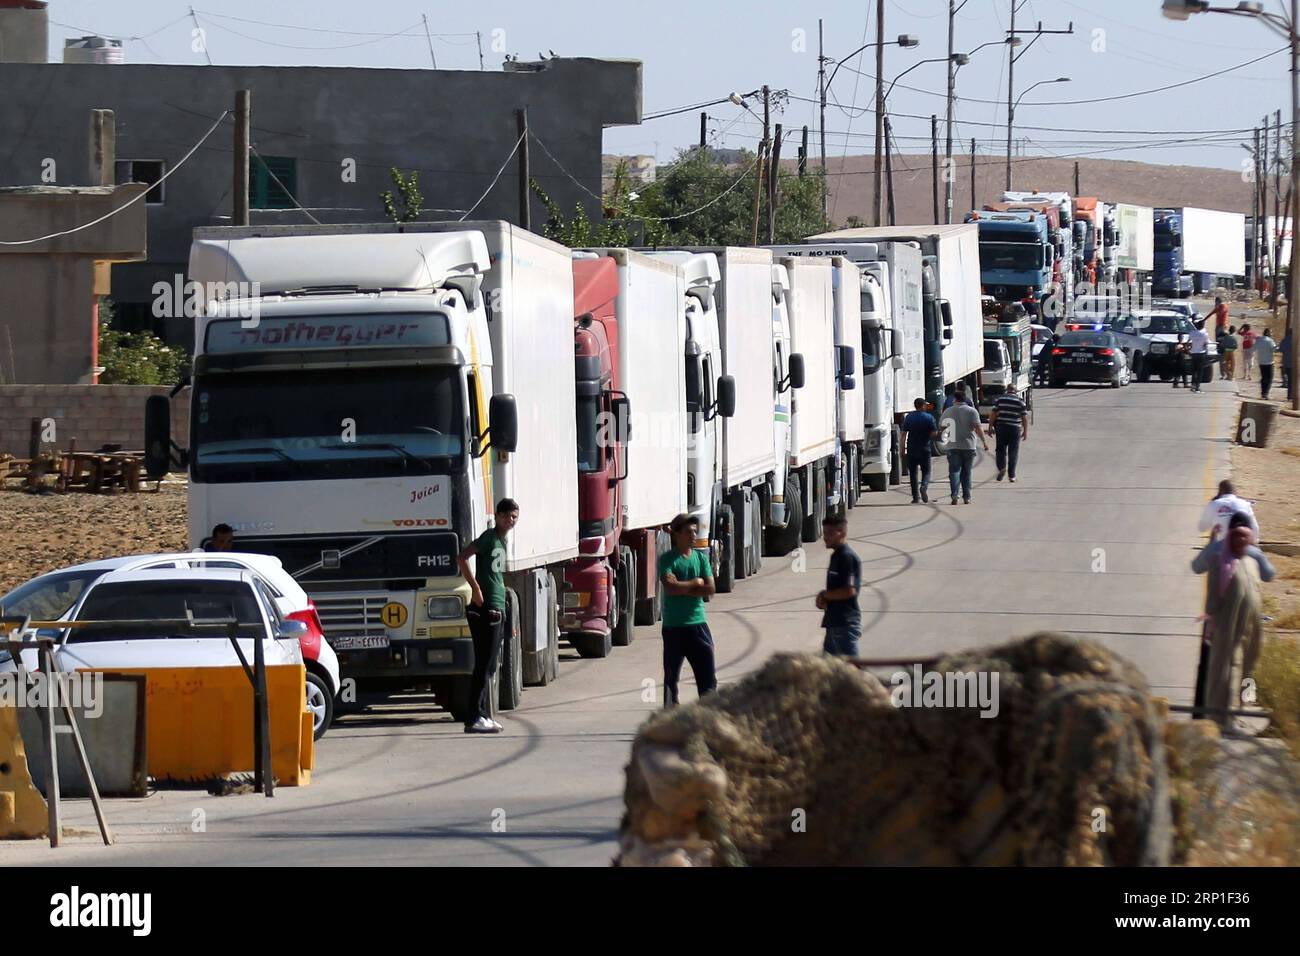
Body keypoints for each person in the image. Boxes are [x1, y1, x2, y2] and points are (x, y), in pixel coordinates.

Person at [1191, 516, 1275, 730]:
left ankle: (1234, 712)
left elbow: (1268, 576)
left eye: (1244, 538)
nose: (1240, 542)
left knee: (1245, 664)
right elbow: (1204, 580)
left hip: (1250, 624)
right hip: (1228, 624)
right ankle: (1222, 718)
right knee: (1228, 667)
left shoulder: (1247, 556)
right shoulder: (1223, 557)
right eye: (1237, 537)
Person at [456, 498, 519, 734]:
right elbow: (462, 557)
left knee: (490, 664)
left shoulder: (501, 541)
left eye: (514, 518)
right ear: (498, 515)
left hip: (497, 604)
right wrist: (475, 587)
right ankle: (474, 716)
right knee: (485, 664)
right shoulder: (489, 537)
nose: (511, 521)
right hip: (487, 607)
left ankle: (481, 713)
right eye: (508, 516)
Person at [658, 512, 717, 707]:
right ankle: (669, 718)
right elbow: (670, 589)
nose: (693, 536)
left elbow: (710, 589)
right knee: (671, 679)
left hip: (698, 625)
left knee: (707, 679)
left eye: (694, 531)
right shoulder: (667, 560)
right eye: (688, 532)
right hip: (674, 628)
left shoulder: (700, 559)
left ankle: (709, 719)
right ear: (676, 534)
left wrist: (685, 587)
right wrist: (695, 583)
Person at [816, 513, 861, 657]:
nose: (825, 537)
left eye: (829, 533)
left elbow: (850, 590)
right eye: (824, 533)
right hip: (833, 622)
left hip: (845, 624)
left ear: (841, 533)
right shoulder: (836, 556)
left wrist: (825, 595)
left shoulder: (847, 557)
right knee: (827, 672)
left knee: (852, 671)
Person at [939, 383, 988, 505]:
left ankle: (954, 496)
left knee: (954, 471)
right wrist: (984, 442)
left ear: (955, 399)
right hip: (968, 445)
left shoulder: (948, 411)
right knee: (967, 472)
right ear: (965, 399)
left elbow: (941, 427)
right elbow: (978, 428)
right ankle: (967, 497)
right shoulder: (972, 411)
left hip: (953, 445)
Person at [987, 382, 1029, 482]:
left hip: (1001, 427)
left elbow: (993, 414)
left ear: (1007, 390)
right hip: (1015, 428)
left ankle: (1001, 468)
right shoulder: (1020, 401)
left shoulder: (1000, 400)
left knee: (1000, 450)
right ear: (1015, 391)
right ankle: (1012, 476)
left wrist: (990, 427)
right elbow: (1024, 418)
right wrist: (1025, 432)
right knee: (1013, 452)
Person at [901, 396, 937, 503]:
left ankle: (915, 497)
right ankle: (924, 486)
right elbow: (934, 433)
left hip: (911, 448)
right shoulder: (929, 417)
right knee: (926, 471)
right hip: (925, 448)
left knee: (913, 473)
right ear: (922, 406)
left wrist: (902, 449)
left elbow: (903, 435)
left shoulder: (909, 417)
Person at [1188, 320, 1210, 393]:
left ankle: (1193, 385)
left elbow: (1189, 342)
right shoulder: (1205, 334)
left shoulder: (1192, 333)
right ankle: (1197, 387)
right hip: (1201, 353)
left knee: (1194, 370)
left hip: (1193, 353)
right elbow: (1206, 343)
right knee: (1200, 371)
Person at [1256, 327, 1277, 399]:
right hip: (1269, 362)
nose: (1272, 334)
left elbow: (1254, 348)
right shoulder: (1270, 341)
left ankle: (1263, 393)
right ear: (1268, 333)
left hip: (1261, 362)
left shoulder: (1259, 340)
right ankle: (1266, 393)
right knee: (1269, 378)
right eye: (1271, 332)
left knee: (1263, 378)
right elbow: (1274, 350)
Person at [1280, 327, 1294, 398]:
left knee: (1289, 380)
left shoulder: (1284, 340)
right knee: (1293, 380)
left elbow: (1281, 349)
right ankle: (1292, 395)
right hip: (1295, 363)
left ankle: (1289, 395)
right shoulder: (1297, 340)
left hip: (1286, 362)